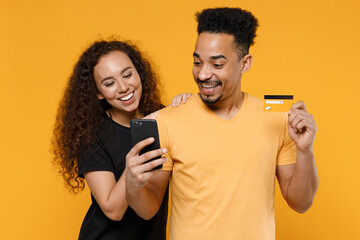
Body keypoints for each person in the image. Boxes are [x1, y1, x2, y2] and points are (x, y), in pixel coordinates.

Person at [125, 7, 319, 240]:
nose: (203, 74)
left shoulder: (277, 120)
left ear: (245, 63)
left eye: (217, 65)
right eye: (197, 62)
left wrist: (305, 150)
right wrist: (132, 185)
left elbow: (301, 203)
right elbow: (149, 208)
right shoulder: (168, 120)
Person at [52, 39, 190, 240]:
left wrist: (186, 108)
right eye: (109, 83)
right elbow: (113, 210)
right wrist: (131, 167)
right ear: (98, 92)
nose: (124, 87)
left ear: (138, 72)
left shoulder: (160, 117)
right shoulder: (90, 135)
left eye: (127, 75)